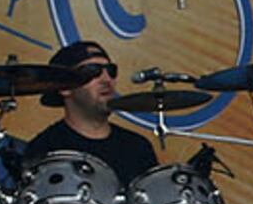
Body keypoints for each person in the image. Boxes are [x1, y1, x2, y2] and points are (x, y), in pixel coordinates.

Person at [19, 39, 160, 185]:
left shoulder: (138, 147)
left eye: (111, 71)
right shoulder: (45, 150)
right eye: (92, 71)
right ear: (64, 88)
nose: (106, 79)